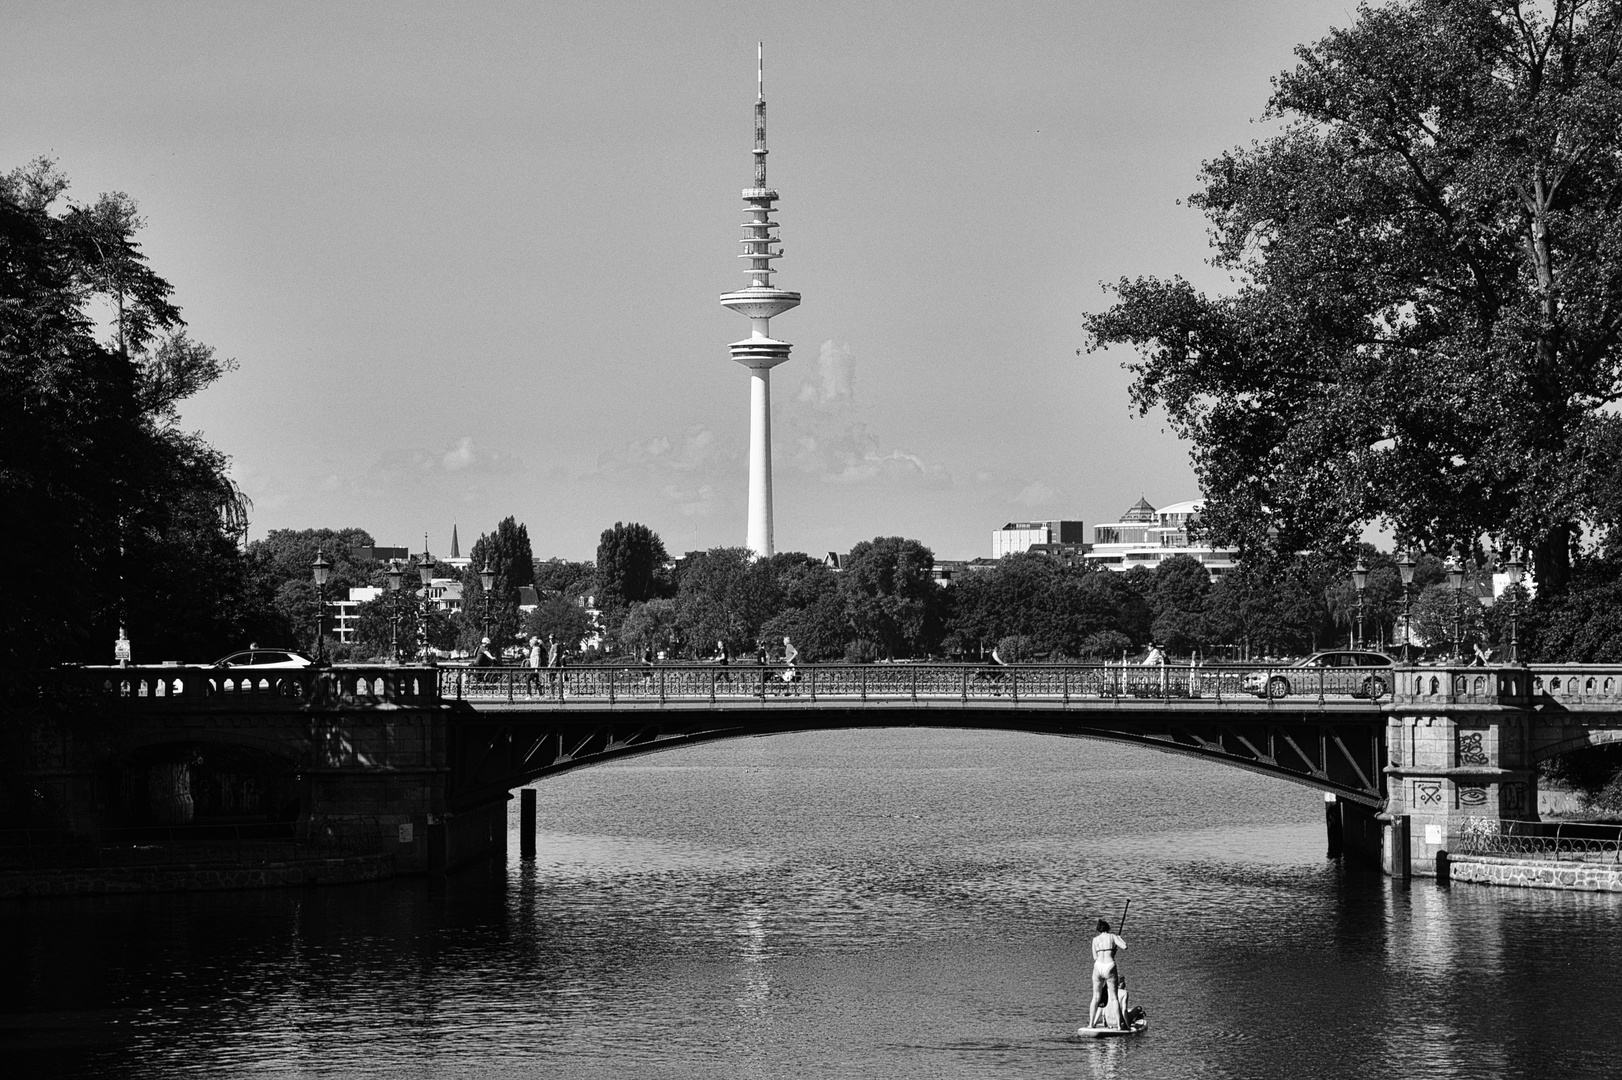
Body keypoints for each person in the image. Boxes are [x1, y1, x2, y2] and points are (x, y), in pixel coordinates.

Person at [1089, 918, 1129, 1030]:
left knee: (1095, 997)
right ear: (1108, 928)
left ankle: (1091, 1024)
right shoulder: (1112, 937)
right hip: (1109, 965)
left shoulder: (1095, 940)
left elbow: (1095, 957)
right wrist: (1120, 939)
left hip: (1098, 966)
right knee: (1114, 998)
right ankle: (1120, 1025)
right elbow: (1125, 946)